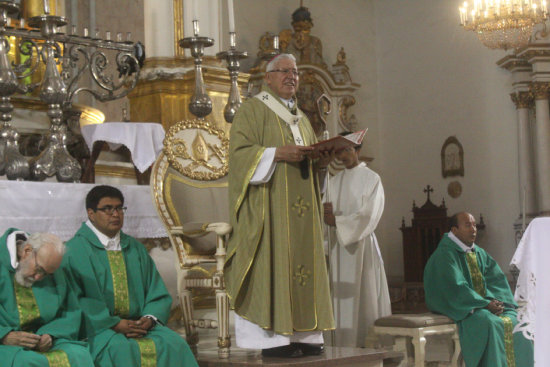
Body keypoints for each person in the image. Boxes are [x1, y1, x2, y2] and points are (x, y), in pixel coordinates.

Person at [224, 53, 335, 357]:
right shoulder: (252, 110)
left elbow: (308, 167)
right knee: (274, 263)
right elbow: (238, 157)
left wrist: (321, 162)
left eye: (296, 72)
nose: (291, 76)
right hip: (269, 210)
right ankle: (272, 341)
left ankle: (306, 336)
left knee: (304, 267)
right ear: (268, 78)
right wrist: (275, 154)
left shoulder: (301, 118)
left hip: (302, 213)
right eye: (284, 71)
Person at [61, 185, 198, 367]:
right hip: (100, 328)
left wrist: (149, 319)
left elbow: (155, 290)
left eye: (119, 208)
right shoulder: (74, 251)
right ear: (91, 213)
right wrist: (114, 324)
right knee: (120, 350)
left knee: (174, 344)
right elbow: (76, 300)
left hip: (139, 325)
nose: (115, 214)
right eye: (107, 209)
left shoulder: (135, 248)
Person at [424, 212, 534, 367]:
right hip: (459, 306)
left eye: (474, 225)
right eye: (467, 225)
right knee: (489, 322)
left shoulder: (479, 253)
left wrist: (497, 302)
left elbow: (496, 280)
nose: (473, 229)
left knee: (519, 321)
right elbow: (455, 287)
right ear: (454, 230)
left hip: (482, 305)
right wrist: (484, 304)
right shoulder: (445, 254)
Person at [323, 137, 391, 347]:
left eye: (347, 150)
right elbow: (325, 216)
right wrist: (327, 220)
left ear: (357, 149)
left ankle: (368, 344)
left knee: (366, 296)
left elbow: (370, 214)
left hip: (362, 245)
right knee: (340, 299)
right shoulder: (332, 182)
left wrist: (339, 221)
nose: (343, 156)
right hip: (338, 247)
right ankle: (339, 344)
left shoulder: (372, 179)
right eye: (339, 152)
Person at [0, 229, 94, 367]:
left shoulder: (52, 267)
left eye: (46, 275)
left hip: (41, 340)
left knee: (78, 354)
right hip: (6, 344)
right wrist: (4, 336)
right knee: (24, 362)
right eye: (39, 270)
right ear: (27, 251)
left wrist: (50, 334)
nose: (38, 277)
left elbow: (69, 311)